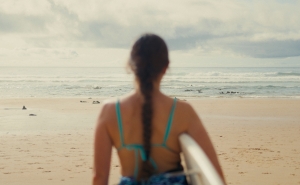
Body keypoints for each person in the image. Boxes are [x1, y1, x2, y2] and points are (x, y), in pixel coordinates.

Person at [93, 34, 225, 185]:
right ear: (166, 66)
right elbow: (214, 175)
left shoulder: (109, 111)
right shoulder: (183, 112)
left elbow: (99, 177)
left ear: (131, 65)